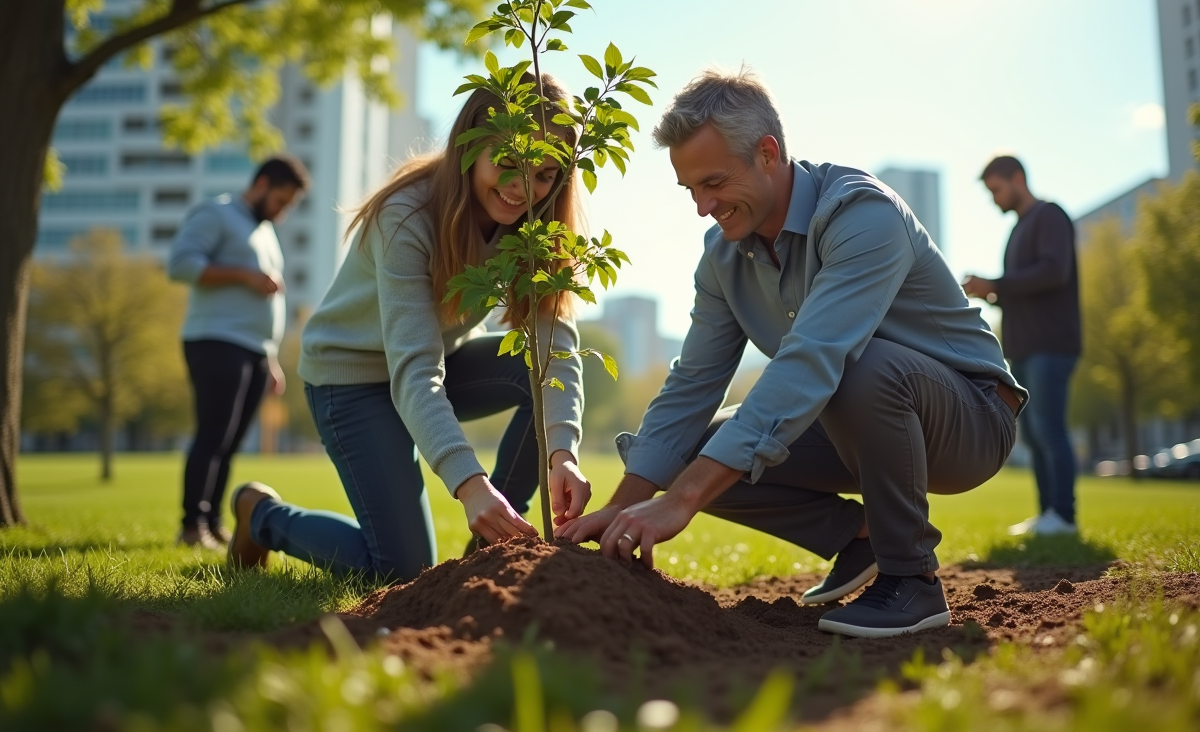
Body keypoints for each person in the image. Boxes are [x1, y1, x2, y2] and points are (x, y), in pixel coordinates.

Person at [557, 68, 1025, 639]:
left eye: (715, 182)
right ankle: (861, 538)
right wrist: (624, 510)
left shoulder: (862, 215)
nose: (703, 207)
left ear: (768, 152)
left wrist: (682, 501)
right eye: (691, 190)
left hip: (969, 421)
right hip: (850, 416)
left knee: (859, 364)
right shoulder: (723, 256)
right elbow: (692, 384)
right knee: (692, 448)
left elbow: (813, 360)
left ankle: (912, 581)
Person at [224, 73, 592, 582]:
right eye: (507, 164)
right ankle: (260, 516)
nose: (521, 190)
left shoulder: (535, 228)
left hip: (435, 366)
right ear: (469, 148)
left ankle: (487, 550)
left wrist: (563, 452)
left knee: (532, 364)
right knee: (403, 571)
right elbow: (415, 371)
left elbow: (554, 345)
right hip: (351, 382)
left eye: (546, 174)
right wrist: (470, 483)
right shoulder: (407, 217)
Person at [168, 155, 310, 548]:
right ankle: (190, 525)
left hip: (254, 351)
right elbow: (180, 264)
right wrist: (245, 275)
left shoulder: (264, 231)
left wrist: (272, 360)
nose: (282, 213)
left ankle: (211, 521)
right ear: (262, 183)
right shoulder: (217, 213)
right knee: (213, 435)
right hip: (216, 339)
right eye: (280, 201)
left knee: (230, 443)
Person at [962, 155, 1081, 537]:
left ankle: (1064, 516)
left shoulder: (1049, 216)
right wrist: (991, 294)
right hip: (1026, 348)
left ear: (1017, 179)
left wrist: (995, 283)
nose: (994, 198)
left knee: (1049, 428)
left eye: (996, 189)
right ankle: (1049, 514)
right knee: (1032, 434)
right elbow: (1022, 289)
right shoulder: (1018, 229)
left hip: (1051, 344)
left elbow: (1053, 272)